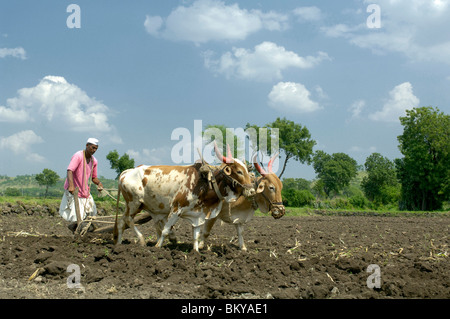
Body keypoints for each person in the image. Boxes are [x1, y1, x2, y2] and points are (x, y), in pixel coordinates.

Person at [59, 138, 104, 232]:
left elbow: (94, 177)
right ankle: (77, 231)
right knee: (77, 215)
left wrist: (99, 183)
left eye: (96, 148)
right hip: (75, 190)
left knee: (91, 213)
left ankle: (80, 229)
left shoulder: (94, 161)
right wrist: (71, 186)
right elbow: (70, 170)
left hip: (85, 191)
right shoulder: (78, 156)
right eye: (93, 147)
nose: (94, 150)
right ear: (87, 145)